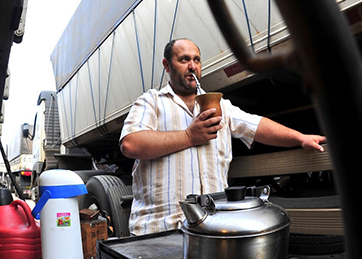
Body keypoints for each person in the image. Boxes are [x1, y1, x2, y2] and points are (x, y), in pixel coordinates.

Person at [120, 38, 326, 236]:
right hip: (160, 230)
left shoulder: (222, 107)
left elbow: (256, 125)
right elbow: (130, 144)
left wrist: (300, 138)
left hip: (212, 230)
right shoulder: (151, 101)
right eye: (184, 60)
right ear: (167, 65)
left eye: (196, 60)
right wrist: (189, 137)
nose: (192, 66)